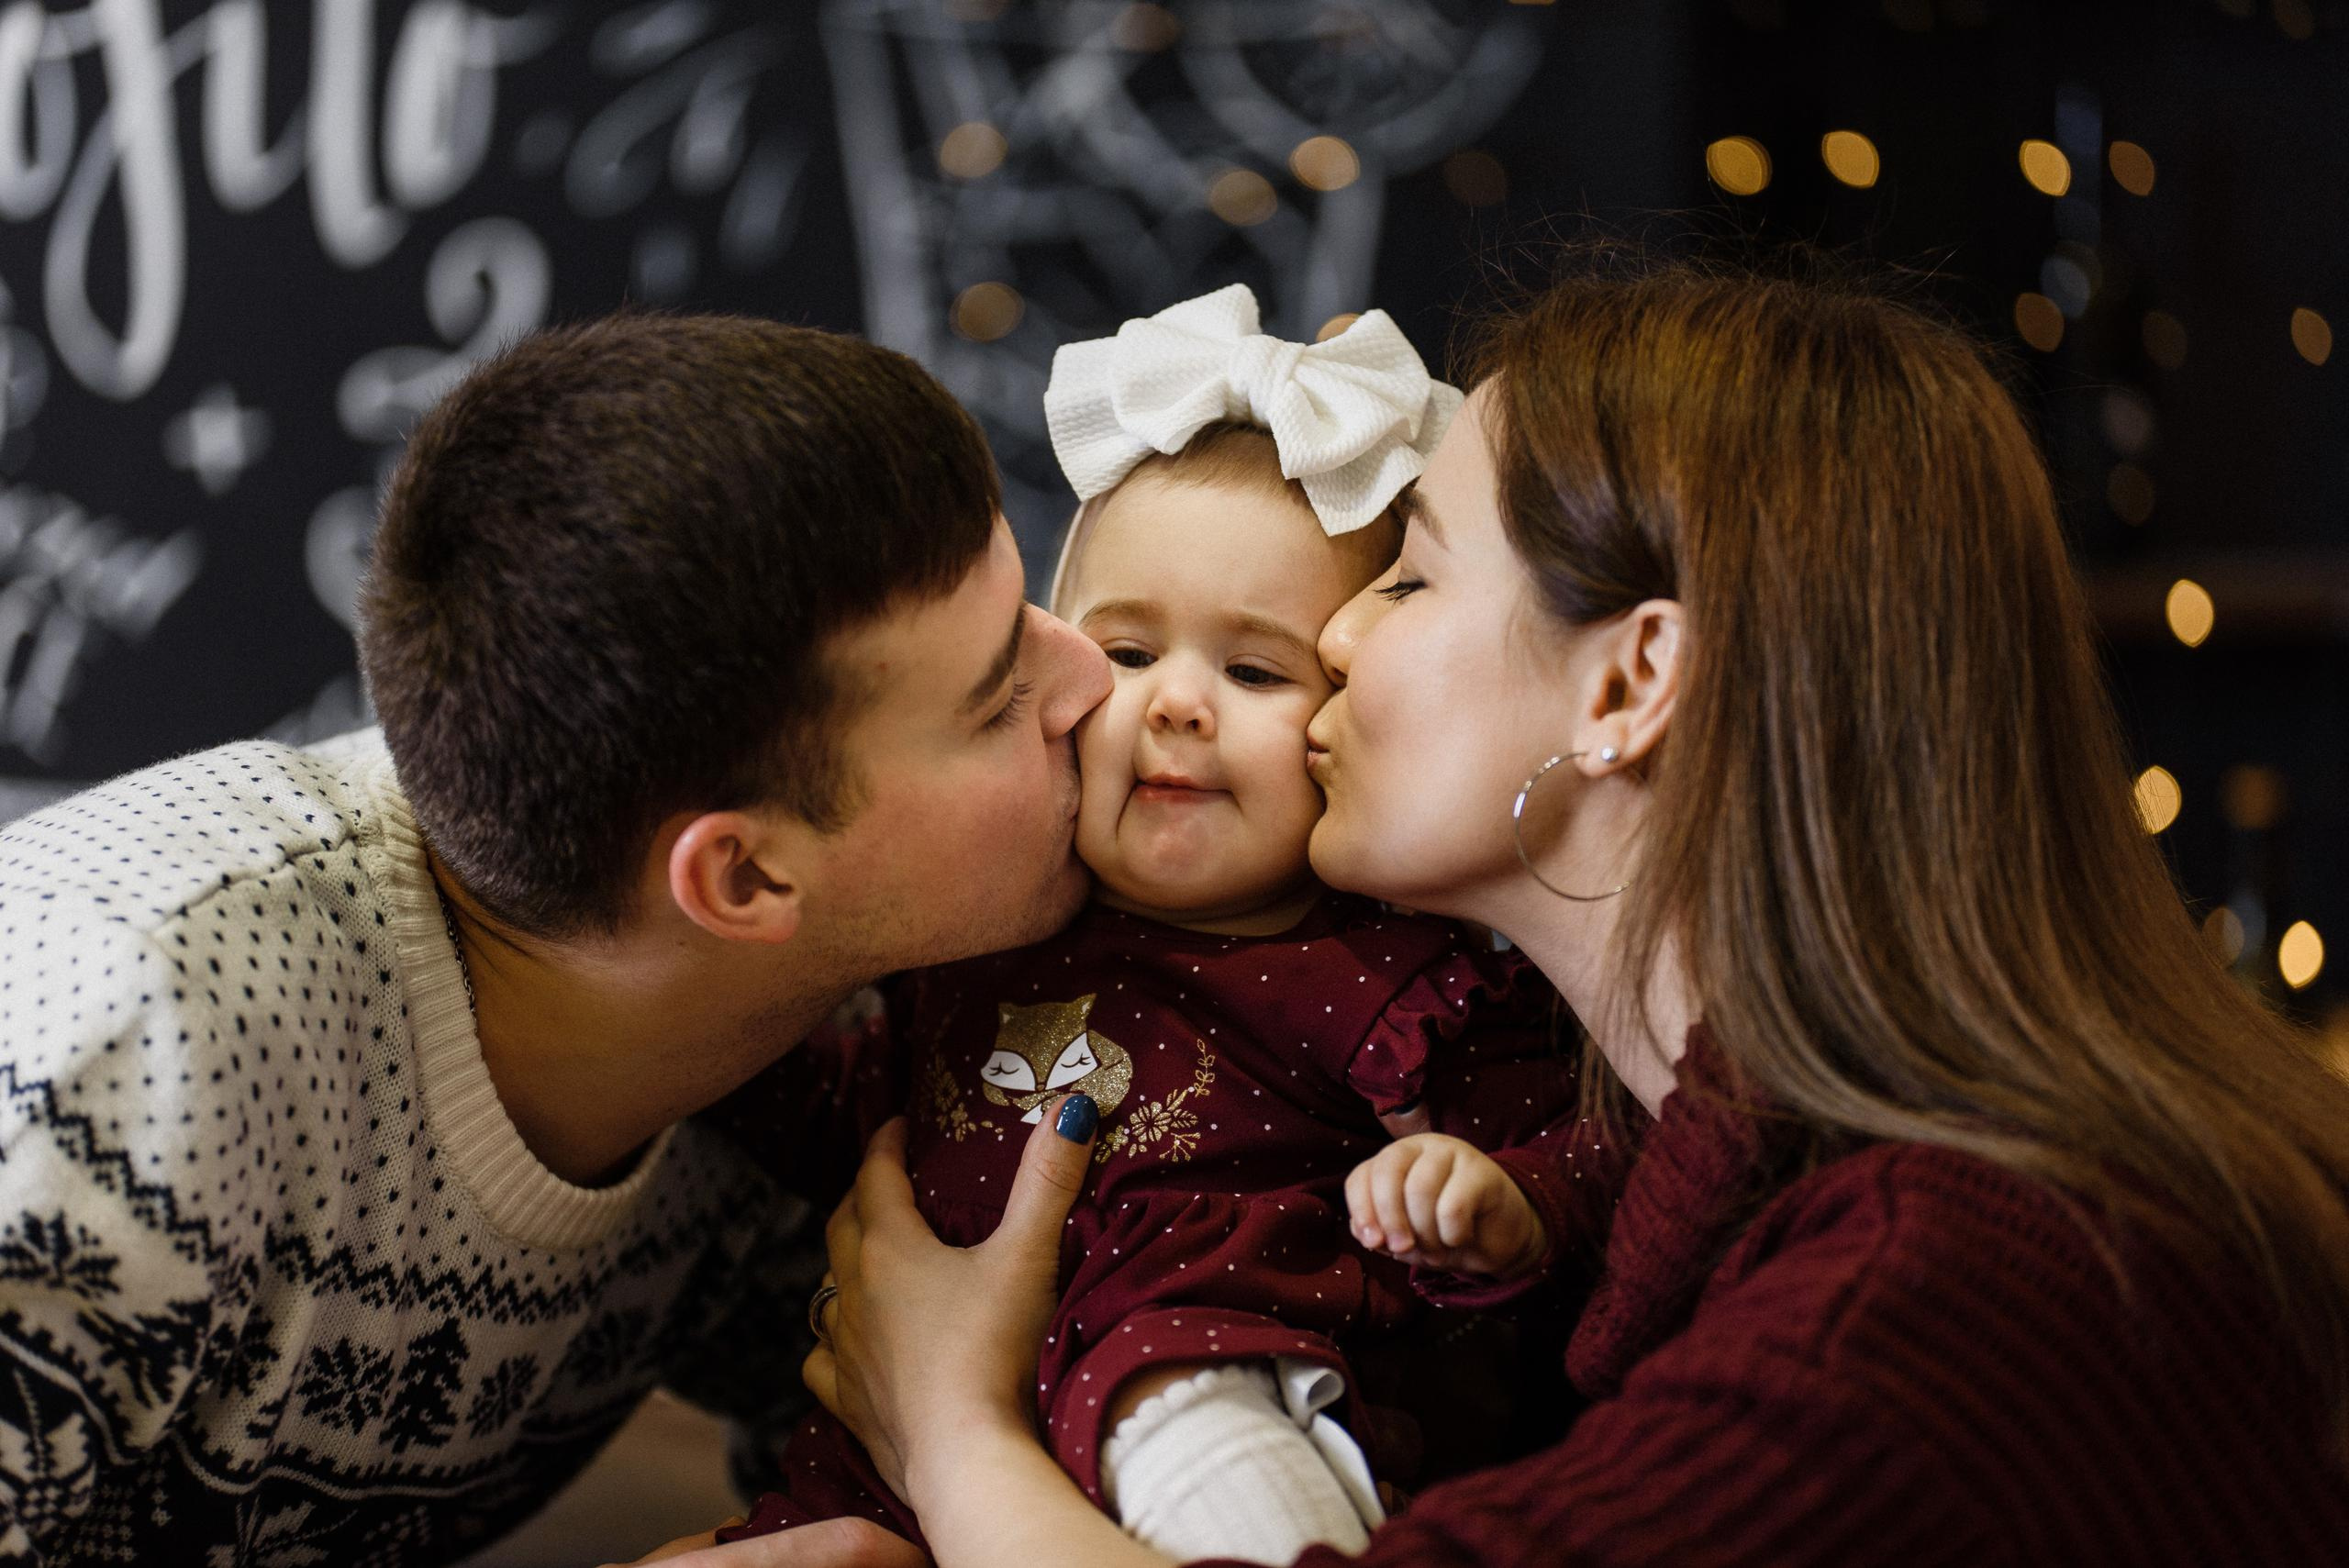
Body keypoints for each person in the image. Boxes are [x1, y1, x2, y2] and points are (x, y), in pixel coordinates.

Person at [790, 256, 2349, 1566]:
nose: (1339, 638)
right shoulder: (1737, 1183)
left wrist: (950, 1427)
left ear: (1629, 682)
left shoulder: (1918, 1311)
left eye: (1409, 577)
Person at [0, 313, 1109, 1565]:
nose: (1092, 677)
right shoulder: (128, 1048)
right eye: (997, 697)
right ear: (743, 876)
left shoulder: (824, 1044)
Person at [712, 288, 1586, 1566]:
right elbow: (862, 1105)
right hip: (895, 1444)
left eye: (1254, 670)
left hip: (1206, 1368)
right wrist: (724, 1026)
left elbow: (1582, 1145)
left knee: (1194, 1420)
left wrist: (1502, 1200)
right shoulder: (980, 927)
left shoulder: (1383, 976)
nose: (1175, 704)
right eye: (1127, 655)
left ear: (1353, 718)